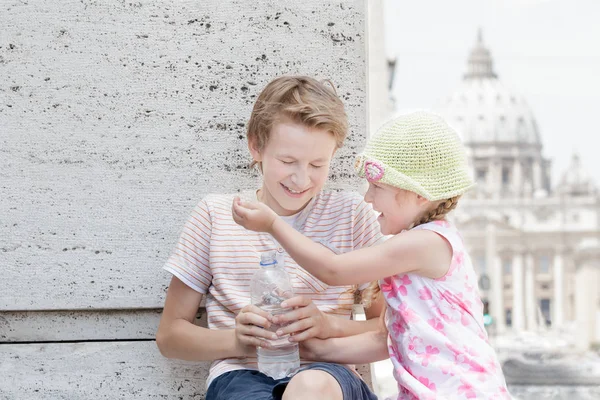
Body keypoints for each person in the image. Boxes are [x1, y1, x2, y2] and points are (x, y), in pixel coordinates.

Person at [232, 111, 512, 399]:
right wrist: (312, 349)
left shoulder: (426, 244)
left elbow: (334, 270)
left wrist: (273, 225)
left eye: (377, 187)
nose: (367, 197)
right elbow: (385, 339)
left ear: (420, 195)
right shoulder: (414, 250)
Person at [156, 75, 384, 400]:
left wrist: (329, 326)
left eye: (318, 164)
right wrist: (238, 339)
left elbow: (389, 330)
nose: (301, 178)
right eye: (287, 161)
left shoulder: (351, 215)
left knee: (310, 389)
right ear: (256, 147)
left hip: (327, 377)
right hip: (240, 376)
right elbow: (169, 336)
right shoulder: (215, 215)